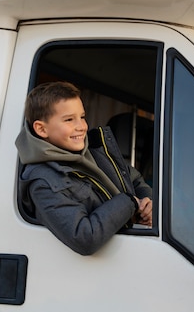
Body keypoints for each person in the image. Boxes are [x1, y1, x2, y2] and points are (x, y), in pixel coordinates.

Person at [15, 81, 153, 255]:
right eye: (69, 120)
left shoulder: (96, 153)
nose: (81, 126)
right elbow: (84, 237)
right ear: (42, 129)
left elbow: (135, 181)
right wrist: (130, 203)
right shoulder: (43, 182)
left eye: (82, 117)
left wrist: (147, 202)